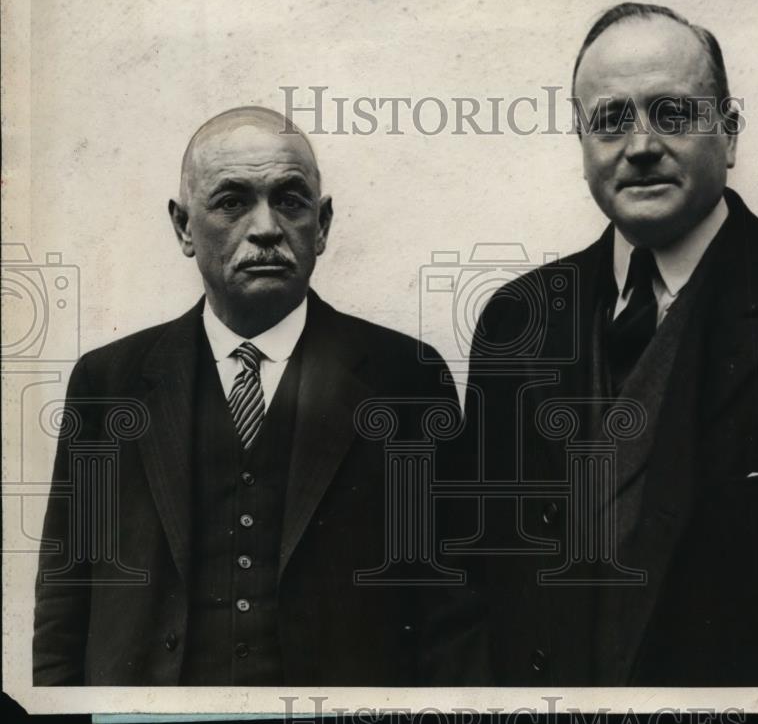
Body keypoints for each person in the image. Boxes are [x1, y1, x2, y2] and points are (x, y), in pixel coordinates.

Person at [460, 3, 758, 687]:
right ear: (583, 143)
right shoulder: (516, 320)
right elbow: (466, 575)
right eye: (611, 120)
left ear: (730, 134)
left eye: (672, 113)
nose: (640, 144)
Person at [33, 106, 457, 686]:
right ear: (184, 227)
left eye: (290, 199)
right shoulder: (107, 385)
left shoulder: (406, 379)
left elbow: (448, 617)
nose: (265, 228)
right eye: (232, 202)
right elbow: (63, 612)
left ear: (323, 224)